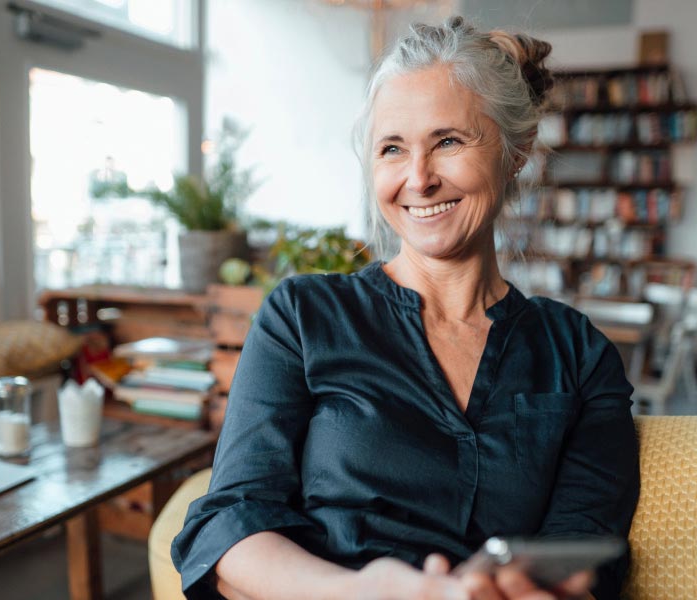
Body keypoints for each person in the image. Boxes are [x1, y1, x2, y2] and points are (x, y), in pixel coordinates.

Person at [172, 16, 639, 600]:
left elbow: (588, 547)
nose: (418, 179)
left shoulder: (578, 353)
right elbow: (230, 523)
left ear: (515, 152)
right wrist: (365, 592)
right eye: (393, 149)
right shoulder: (302, 317)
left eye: (448, 141)